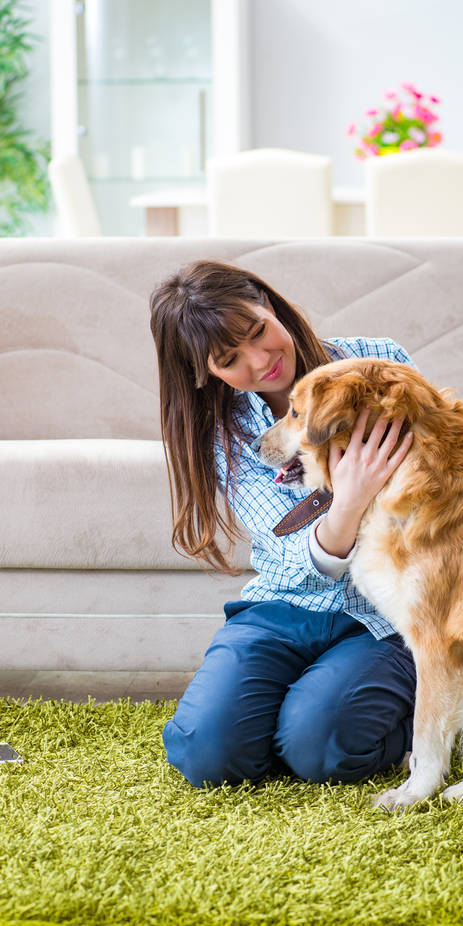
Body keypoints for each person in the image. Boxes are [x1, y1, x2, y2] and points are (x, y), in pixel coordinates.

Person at [149, 259, 418, 789]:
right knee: (207, 754)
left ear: (268, 304)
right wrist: (350, 500)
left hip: (383, 614)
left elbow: (434, 481)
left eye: (257, 331)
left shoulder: (377, 361)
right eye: (229, 359)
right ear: (207, 373)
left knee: (321, 750)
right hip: (282, 606)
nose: (261, 361)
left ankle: (416, 716)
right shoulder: (220, 429)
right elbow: (290, 551)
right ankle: (297, 715)